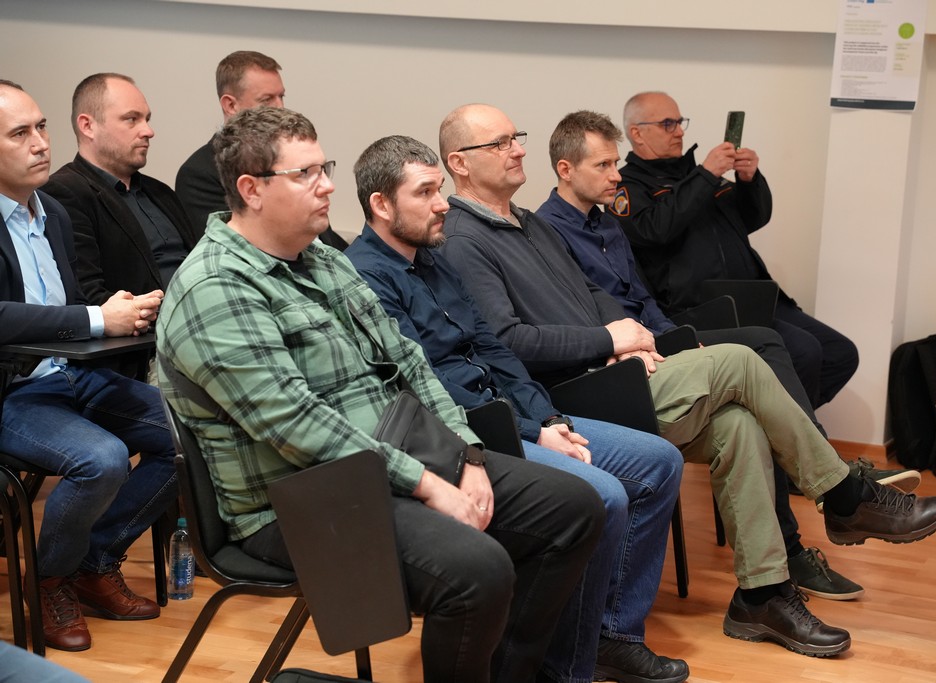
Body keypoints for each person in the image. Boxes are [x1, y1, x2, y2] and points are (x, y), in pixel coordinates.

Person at [436, 103, 936, 658]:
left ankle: (762, 596)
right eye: (499, 143)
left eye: (516, 137)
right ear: (459, 163)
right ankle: (845, 494)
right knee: (741, 359)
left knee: (738, 427)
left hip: (616, 371)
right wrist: (609, 342)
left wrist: (637, 338)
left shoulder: (528, 223)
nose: (517, 149)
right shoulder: (463, 239)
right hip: (571, 398)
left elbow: (592, 294)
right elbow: (508, 341)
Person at [156, 105, 604, 683]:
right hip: (297, 498)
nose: (327, 185)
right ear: (251, 190)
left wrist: (466, 453)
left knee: (573, 508)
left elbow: (410, 361)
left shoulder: (322, 259)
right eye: (305, 174)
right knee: (478, 570)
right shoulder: (214, 287)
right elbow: (296, 424)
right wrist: (429, 485)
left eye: (324, 168)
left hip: (391, 459)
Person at [536, 110, 921, 602]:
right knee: (751, 351)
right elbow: (585, 315)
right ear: (566, 169)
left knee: (750, 412)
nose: (616, 175)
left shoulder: (606, 224)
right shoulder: (548, 232)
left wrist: (675, 338)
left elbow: (643, 299)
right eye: (604, 165)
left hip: (652, 343)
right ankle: (839, 488)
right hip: (617, 367)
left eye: (616, 163)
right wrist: (638, 342)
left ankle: (770, 583)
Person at [346, 134, 688, 683]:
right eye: (425, 192)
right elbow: (424, 384)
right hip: (465, 430)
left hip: (517, 412)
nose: (442, 204)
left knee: (659, 462)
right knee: (602, 494)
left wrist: (548, 419)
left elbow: (495, 348)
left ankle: (611, 636)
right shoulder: (364, 276)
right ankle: (564, 669)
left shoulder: (434, 259)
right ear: (381, 205)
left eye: (439, 189)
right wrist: (533, 428)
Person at [0, 80, 177, 652]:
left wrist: (122, 315)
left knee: (190, 433)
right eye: (20, 133)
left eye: (41, 127)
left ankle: (94, 561)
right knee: (101, 459)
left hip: (71, 372)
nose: (40, 143)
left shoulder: (50, 211)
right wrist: (99, 319)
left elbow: (71, 307)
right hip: (12, 391)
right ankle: (50, 580)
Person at [611, 91, 858, 409]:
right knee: (805, 351)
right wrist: (706, 175)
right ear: (637, 133)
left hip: (755, 296)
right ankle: (793, 433)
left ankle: (779, 422)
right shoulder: (627, 186)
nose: (680, 131)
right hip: (703, 307)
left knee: (840, 353)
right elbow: (654, 230)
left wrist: (749, 180)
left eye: (680, 122)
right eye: (668, 124)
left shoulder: (696, 176)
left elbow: (752, 218)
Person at [41, 72, 197, 378]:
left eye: (147, 119)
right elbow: (90, 298)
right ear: (88, 126)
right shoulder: (65, 192)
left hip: (205, 329)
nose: (148, 131)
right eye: (131, 119)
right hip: (146, 352)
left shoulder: (161, 193)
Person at [174, 50, 347, 249]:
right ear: (230, 105)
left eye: (281, 96)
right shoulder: (199, 173)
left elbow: (326, 241)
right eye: (266, 100)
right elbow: (232, 247)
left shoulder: (291, 156)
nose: (280, 107)